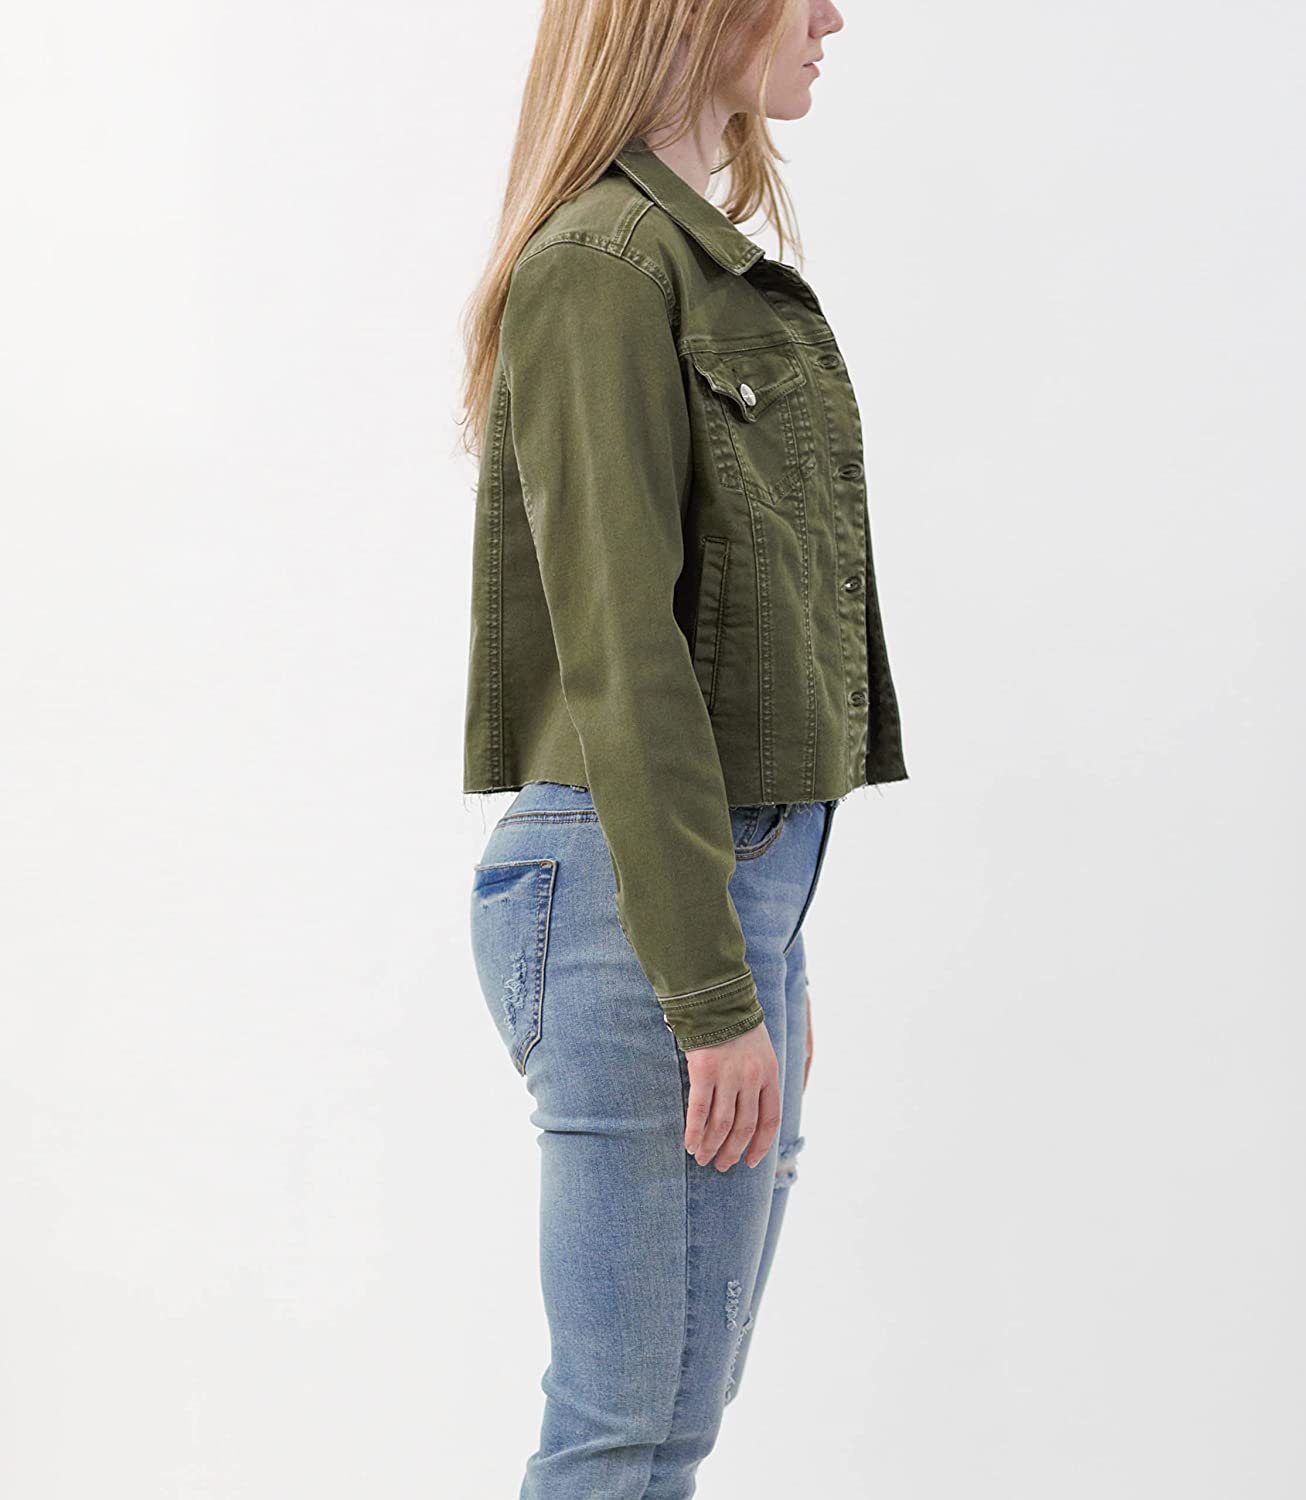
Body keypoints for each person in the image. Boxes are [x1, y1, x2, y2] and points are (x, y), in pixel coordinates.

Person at [457, 1, 907, 1493]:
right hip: (635, 895)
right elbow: (622, 649)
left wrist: (754, 956)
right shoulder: (603, 266)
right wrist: (710, 988)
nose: (833, 17)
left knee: (667, 1431)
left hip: (714, 886)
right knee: (618, 1430)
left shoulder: (690, 262)